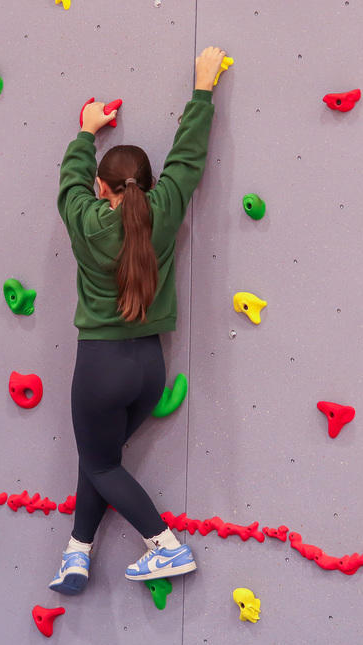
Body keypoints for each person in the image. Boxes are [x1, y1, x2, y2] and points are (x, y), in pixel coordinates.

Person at [49, 47, 227, 595]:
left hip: (101, 366)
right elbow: (188, 157)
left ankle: (164, 546)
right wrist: (202, 90)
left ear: (103, 188)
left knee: (101, 464)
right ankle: (77, 553)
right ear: (147, 187)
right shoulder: (165, 207)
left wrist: (85, 132)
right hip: (149, 366)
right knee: (98, 460)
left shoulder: (85, 220)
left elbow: (68, 184)